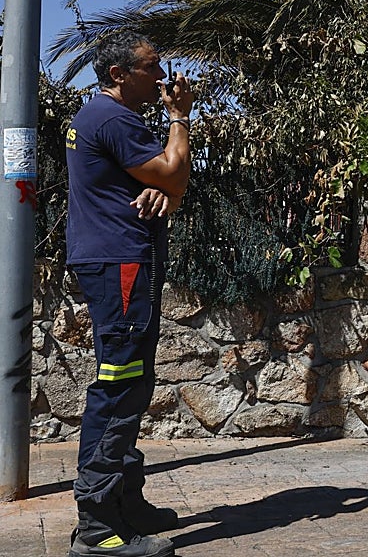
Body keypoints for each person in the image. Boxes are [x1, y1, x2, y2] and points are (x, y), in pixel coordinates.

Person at [64, 31, 195, 557]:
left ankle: (124, 502)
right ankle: (97, 528)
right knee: (119, 388)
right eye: (151, 67)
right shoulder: (114, 119)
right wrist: (180, 117)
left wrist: (166, 191)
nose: (162, 77)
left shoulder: (99, 116)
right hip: (120, 264)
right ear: (119, 74)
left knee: (132, 383)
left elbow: (165, 186)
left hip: (117, 262)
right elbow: (175, 174)